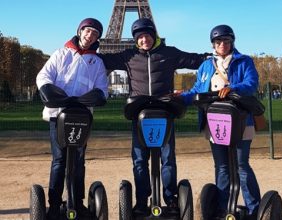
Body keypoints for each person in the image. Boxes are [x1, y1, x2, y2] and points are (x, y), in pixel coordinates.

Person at [98, 18, 210, 215]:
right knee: (140, 159)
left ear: (153, 35)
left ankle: (170, 197)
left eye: (147, 36)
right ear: (135, 39)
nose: (144, 40)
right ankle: (142, 199)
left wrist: (211, 56)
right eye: (140, 37)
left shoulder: (169, 53)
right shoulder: (128, 56)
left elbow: (193, 59)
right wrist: (86, 50)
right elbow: (103, 60)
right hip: (140, 113)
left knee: (168, 158)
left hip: (164, 111)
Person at [181, 24, 261, 219]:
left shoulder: (243, 61)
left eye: (226, 41)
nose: (222, 44)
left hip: (241, 120)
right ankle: (223, 208)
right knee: (222, 166)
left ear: (232, 42)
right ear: (213, 45)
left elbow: (252, 83)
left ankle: (253, 210)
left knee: (242, 165)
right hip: (215, 121)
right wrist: (179, 97)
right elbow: (196, 90)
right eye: (218, 41)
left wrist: (234, 89)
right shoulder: (206, 66)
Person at [36, 18, 108, 220]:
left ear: (97, 38)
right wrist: (48, 91)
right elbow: (44, 76)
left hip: (81, 116)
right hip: (57, 114)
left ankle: (77, 202)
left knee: (78, 160)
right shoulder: (61, 54)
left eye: (94, 34)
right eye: (87, 31)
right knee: (59, 160)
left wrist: (97, 96)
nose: (90, 36)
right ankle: (54, 204)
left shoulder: (97, 62)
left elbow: (102, 88)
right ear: (80, 31)